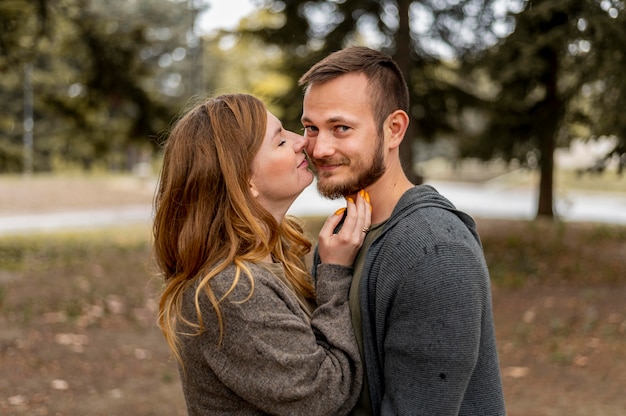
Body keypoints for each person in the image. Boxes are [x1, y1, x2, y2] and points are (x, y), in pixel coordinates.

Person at [300, 47, 506, 415]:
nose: (319, 148)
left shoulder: (436, 252)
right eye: (311, 128)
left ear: (393, 129)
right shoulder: (342, 238)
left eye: (341, 128)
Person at [152, 93, 372, 415]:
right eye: (280, 141)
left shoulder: (270, 260)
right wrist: (335, 273)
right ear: (245, 180)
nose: (302, 142)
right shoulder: (233, 291)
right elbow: (327, 397)